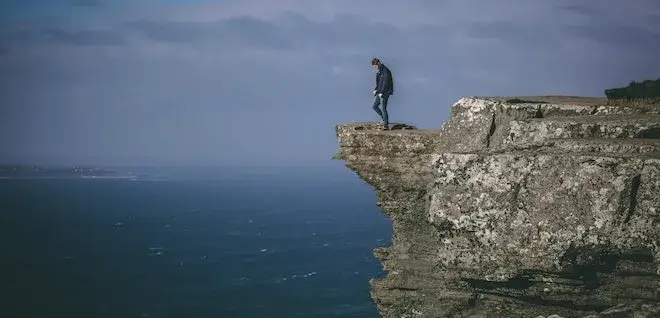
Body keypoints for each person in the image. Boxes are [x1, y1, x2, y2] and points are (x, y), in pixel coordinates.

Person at [371, 58, 394, 130]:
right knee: (375, 106)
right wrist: (376, 90)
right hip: (380, 92)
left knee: (383, 108)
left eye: (375, 66)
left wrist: (382, 92)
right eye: (374, 67)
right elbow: (379, 84)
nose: (375, 68)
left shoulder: (385, 71)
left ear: (378, 63)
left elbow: (386, 83)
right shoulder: (379, 72)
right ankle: (383, 119)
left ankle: (386, 125)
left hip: (385, 92)